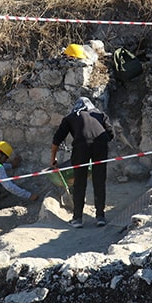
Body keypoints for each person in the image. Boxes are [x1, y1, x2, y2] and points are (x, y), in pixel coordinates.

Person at [50, 97, 114, 228]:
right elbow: (111, 133)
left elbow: (57, 139)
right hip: (100, 146)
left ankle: (77, 219)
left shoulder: (71, 117)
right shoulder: (100, 114)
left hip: (81, 147)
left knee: (79, 183)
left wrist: (53, 158)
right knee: (99, 181)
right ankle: (100, 217)